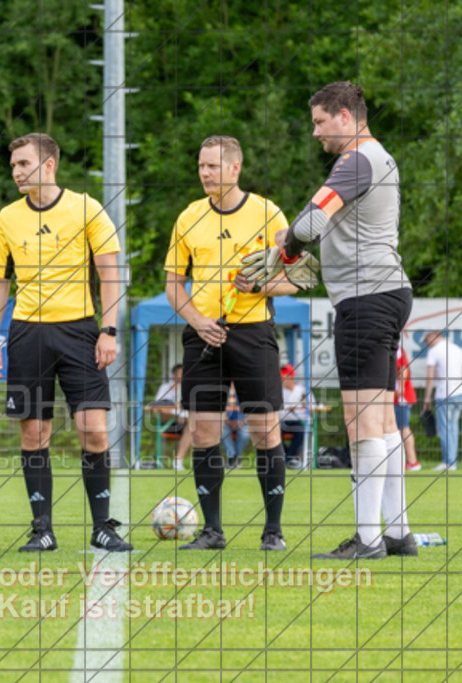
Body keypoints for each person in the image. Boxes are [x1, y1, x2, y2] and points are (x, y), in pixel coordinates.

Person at [245, 82, 415, 559]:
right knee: (381, 421)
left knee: (361, 424)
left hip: (366, 300)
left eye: (320, 122)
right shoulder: (379, 157)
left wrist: (287, 248)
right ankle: (398, 534)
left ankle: (368, 540)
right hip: (388, 293)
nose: (315, 132)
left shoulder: (355, 160)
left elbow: (313, 221)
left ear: (346, 116)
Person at [0, 132, 132, 553]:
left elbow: (110, 274)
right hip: (27, 332)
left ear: (49, 165)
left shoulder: (86, 208)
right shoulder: (7, 218)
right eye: (12, 165)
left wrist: (108, 330)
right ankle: (42, 528)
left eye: (23, 164)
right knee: (34, 433)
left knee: (94, 431)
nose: (16, 172)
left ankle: (103, 526)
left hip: (80, 332)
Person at [164, 134, 297, 552]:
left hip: (253, 334)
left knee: (264, 431)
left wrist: (261, 285)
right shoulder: (188, 217)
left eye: (213, 166)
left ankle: (272, 531)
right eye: (201, 166)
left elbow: (297, 277)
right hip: (202, 335)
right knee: (203, 431)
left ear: (235, 168)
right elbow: (173, 283)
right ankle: (212, 531)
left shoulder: (267, 212)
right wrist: (197, 320)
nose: (205, 173)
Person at [422, 330, 462, 471]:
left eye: (426, 341)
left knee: (444, 429)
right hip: (459, 393)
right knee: (454, 428)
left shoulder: (434, 351)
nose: (426, 344)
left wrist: (427, 398)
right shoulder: (456, 348)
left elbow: (430, 377)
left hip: (444, 394)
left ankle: (448, 462)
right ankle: (452, 462)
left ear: (432, 336)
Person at [148, 363, 192, 471]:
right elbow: (156, 406)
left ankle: (178, 461)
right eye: (180, 373)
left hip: (184, 423)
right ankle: (158, 461)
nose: (182, 376)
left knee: (193, 426)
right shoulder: (165, 388)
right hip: (166, 422)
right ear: (173, 375)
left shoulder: (189, 389)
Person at [279, 364, 315, 468]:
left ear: (291, 377)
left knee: (300, 431)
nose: (282, 380)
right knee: (274, 432)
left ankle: (287, 459)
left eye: (284, 377)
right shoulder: (279, 391)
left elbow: (312, 406)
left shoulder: (303, 390)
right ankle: (288, 459)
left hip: (299, 421)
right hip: (283, 421)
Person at [396, 343, 420, 471]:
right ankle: (408, 461)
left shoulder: (396, 348)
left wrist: (400, 387)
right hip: (397, 397)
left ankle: (412, 461)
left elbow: (403, 368)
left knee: (403, 428)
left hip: (401, 398)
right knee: (399, 429)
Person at [220, 384, 249, 469]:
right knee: (222, 433)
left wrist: (242, 422)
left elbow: (251, 410)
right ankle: (232, 457)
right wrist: (227, 421)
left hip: (243, 422)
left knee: (245, 435)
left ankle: (234, 459)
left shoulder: (246, 390)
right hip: (225, 422)